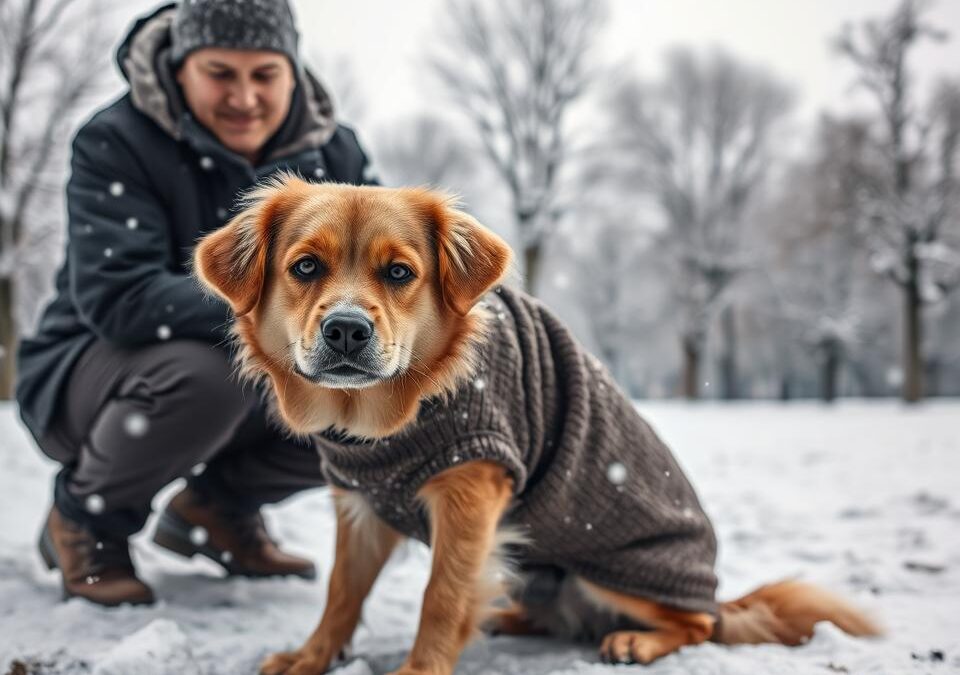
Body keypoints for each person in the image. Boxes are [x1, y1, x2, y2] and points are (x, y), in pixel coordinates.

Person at [15, 0, 378, 606]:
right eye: (220, 73)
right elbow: (120, 298)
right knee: (214, 375)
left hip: (248, 378)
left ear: (293, 70)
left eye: (264, 74)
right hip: (94, 374)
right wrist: (280, 310)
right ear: (182, 68)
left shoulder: (334, 155)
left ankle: (217, 508)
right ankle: (87, 518)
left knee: (375, 387)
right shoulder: (116, 141)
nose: (244, 98)